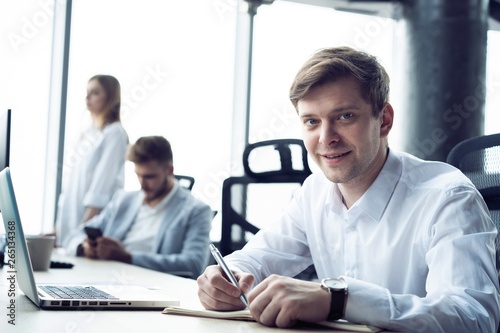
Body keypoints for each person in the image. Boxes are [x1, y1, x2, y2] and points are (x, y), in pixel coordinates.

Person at [197, 47, 500, 332]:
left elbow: (473, 316)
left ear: (384, 120)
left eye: (344, 117)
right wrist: (226, 277)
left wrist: (340, 300)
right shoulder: (313, 192)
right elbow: (257, 259)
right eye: (312, 121)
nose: (326, 138)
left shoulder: (448, 197)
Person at [65, 136, 213, 278]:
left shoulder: (196, 211)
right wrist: (84, 247)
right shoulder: (122, 200)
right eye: (138, 175)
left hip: (154, 288)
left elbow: (193, 265)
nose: (142, 184)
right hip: (105, 277)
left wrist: (128, 257)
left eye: (149, 177)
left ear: (169, 170)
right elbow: (73, 236)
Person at [55, 75, 129, 248]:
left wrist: (80, 233)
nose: (87, 98)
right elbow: (71, 188)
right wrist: (58, 230)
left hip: (88, 226)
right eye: (87, 92)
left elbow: (100, 188)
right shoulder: (88, 133)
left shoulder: (115, 133)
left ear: (110, 97)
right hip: (72, 227)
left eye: (95, 93)